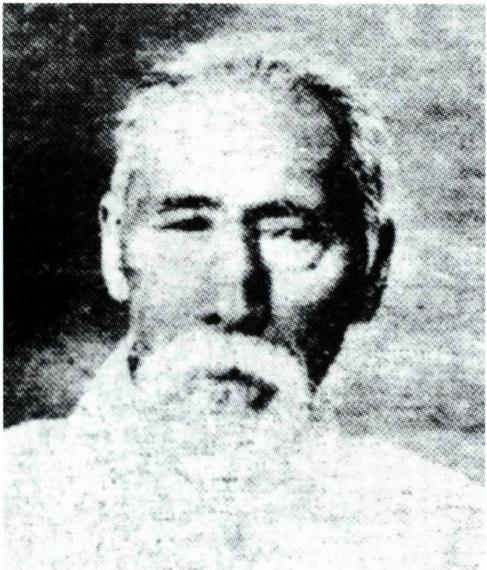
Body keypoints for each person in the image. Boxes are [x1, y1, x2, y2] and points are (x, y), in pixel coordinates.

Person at [5, 35, 483, 570]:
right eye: (187, 226)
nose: (235, 303)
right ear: (114, 250)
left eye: (291, 234)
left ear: (373, 269)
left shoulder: (451, 537)